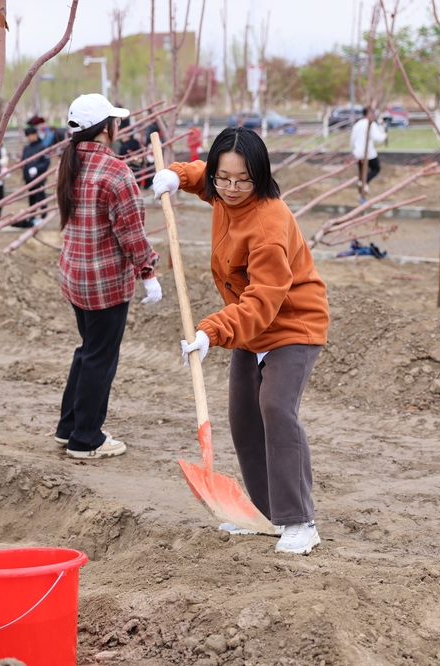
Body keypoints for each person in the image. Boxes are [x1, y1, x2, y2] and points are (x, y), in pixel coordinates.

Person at [152, 126, 329, 556]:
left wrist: (212, 331)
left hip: (291, 325)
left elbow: (264, 300)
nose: (230, 189)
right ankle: (267, 516)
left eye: (242, 180)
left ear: (260, 176)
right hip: (251, 329)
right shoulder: (223, 193)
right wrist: (178, 175)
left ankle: (300, 521)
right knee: (243, 418)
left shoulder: (269, 224)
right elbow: (202, 173)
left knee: (276, 409)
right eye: (222, 178)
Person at [55, 94, 162, 460]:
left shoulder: (70, 162)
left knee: (89, 350)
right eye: (115, 122)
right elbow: (131, 233)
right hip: (103, 283)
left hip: (75, 276)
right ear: (106, 128)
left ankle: (68, 426)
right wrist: (148, 272)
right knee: (101, 357)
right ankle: (86, 439)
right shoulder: (115, 172)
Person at [16, 126, 51, 227]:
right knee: (31, 198)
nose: (28, 138)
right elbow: (24, 160)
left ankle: (44, 217)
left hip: (39, 178)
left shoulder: (42, 147)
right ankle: (32, 217)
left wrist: (37, 168)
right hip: (28, 178)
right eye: (27, 136)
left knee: (41, 197)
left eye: (30, 135)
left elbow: (46, 162)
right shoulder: (27, 148)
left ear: (35, 134)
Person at [350, 107, 386, 202]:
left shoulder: (357, 125)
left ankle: (361, 194)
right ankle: (363, 184)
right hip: (369, 154)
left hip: (358, 153)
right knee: (375, 168)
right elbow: (378, 137)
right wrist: (385, 135)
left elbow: (352, 140)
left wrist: (354, 152)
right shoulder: (371, 124)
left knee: (362, 173)